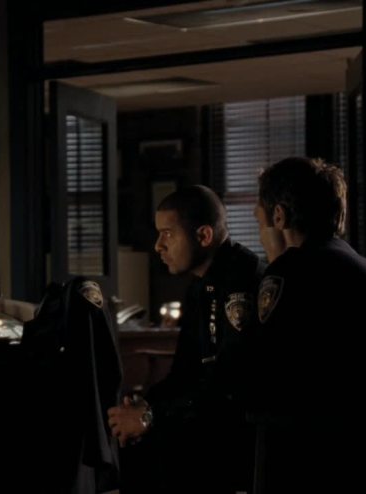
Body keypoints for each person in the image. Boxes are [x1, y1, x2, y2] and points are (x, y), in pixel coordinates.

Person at [248, 157, 366, 493]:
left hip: (349, 463)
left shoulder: (293, 272)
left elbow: (266, 378)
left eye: (260, 221)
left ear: (279, 216)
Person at [108, 185, 264, 494]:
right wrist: (144, 405)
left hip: (241, 433)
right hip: (207, 421)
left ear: (204, 236)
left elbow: (228, 387)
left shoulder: (240, 282)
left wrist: (150, 417)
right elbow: (184, 374)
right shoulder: (199, 287)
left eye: (167, 234)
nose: (158, 246)